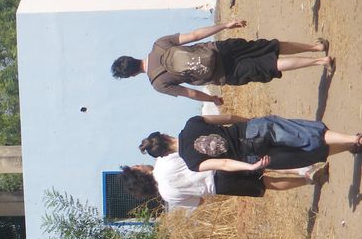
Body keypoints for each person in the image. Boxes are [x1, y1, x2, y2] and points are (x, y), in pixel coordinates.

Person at [111, 21, 332, 106]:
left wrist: (213, 99)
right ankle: (316, 48)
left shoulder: (158, 84)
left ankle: (320, 63)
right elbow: (195, 35)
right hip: (219, 50)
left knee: (271, 65)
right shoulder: (159, 44)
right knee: (269, 46)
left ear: (131, 75)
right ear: (131, 57)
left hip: (223, 74)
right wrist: (225, 25)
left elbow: (191, 94)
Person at [121, 141, 325, 213]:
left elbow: (198, 202)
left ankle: (307, 179)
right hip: (215, 164)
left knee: (266, 184)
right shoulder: (163, 162)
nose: (139, 165)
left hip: (219, 186)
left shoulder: (167, 196)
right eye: (136, 167)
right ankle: (303, 168)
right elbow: (188, 153)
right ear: (141, 173)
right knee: (262, 162)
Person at [140, 116, 361, 177]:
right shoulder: (191, 124)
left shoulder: (192, 163)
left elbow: (224, 163)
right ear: (165, 135)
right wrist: (251, 120)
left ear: (165, 155)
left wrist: (251, 168)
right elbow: (226, 117)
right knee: (304, 134)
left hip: (252, 157)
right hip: (250, 131)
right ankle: (352, 139)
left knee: (304, 156)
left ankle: (351, 145)